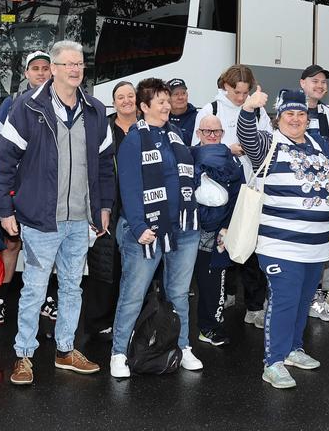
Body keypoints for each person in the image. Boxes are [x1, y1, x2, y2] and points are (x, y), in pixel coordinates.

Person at [0, 40, 115, 386]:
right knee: (34, 287)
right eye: (69, 64)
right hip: (40, 219)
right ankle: (24, 355)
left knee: (73, 286)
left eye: (80, 64)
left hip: (80, 219)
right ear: (55, 69)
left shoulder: (93, 110)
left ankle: (65, 350)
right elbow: (4, 162)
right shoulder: (27, 107)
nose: (76, 69)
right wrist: (5, 208)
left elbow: (106, 166)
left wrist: (103, 206)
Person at [237, 86, 329, 390]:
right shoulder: (269, 143)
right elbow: (247, 137)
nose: (296, 119)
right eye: (289, 113)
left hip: (317, 245)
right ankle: (273, 362)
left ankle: (294, 349)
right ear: (278, 117)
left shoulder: (318, 143)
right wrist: (248, 108)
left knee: (303, 300)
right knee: (284, 300)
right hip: (280, 244)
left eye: (301, 113)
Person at [109, 78, 204, 377]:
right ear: (144, 106)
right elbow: (130, 187)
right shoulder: (134, 139)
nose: (167, 105)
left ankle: (184, 346)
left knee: (179, 294)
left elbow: (187, 177)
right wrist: (138, 227)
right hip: (147, 232)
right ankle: (119, 353)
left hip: (184, 229)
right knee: (133, 293)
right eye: (160, 101)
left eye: (168, 100)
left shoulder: (176, 134)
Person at [192, 64, 270, 327]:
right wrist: (228, 149)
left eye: (246, 93)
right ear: (225, 86)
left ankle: (255, 305)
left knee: (250, 247)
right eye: (237, 92)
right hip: (219, 193)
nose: (241, 98)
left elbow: (269, 140)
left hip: (250, 186)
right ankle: (224, 295)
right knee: (221, 243)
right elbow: (197, 147)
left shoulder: (257, 109)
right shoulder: (210, 109)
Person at [0, 49, 53, 326]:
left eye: (45, 68)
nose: (40, 72)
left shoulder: (63, 102)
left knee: (44, 250)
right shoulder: (11, 103)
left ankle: (46, 299)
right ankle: (0, 299)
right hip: (15, 187)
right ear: (26, 73)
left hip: (46, 190)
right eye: (35, 68)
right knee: (11, 244)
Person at [81, 81, 137, 338]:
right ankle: (100, 320)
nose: (126, 101)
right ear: (113, 103)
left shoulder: (146, 127)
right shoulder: (104, 127)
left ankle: (132, 320)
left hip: (138, 208)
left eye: (130, 96)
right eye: (120, 97)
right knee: (105, 265)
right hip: (109, 206)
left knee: (135, 269)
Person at [192, 114, 248, 346]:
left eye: (217, 132)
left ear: (223, 134)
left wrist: (227, 228)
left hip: (218, 235)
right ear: (198, 134)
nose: (213, 135)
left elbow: (239, 195)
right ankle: (170, 329)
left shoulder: (233, 161)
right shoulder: (188, 156)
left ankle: (210, 328)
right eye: (207, 131)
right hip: (189, 231)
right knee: (175, 285)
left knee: (214, 284)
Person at [299, 64, 329, 321]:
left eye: (323, 82)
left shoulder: (328, 113)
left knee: (322, 245)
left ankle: (315, 298)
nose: (320, 85)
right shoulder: (291, 107)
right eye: (314, 81)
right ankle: (291, 299)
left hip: (324, 191)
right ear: (302, 82)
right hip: (297, 191)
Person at [167, 78, 199, 143]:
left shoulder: (198, 117)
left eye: (183, 93)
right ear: (168, 98)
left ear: (187, 95)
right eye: (176, 94)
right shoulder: (162, 118)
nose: (180, 97)